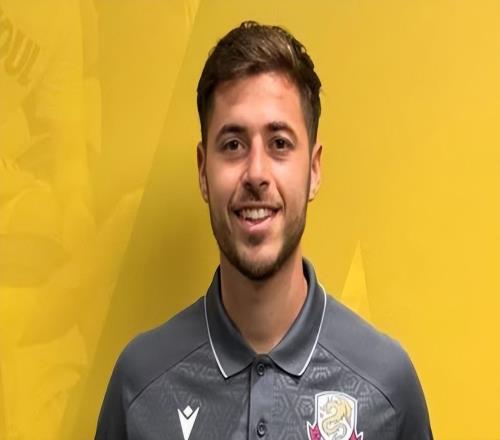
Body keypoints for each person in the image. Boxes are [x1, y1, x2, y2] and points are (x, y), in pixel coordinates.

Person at [95, 21, 433, 440]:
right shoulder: (140, 386)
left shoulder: (386, 389)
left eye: (279, 144)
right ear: (203, 171)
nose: (256, 173)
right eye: (233, 144)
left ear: (313, 170)